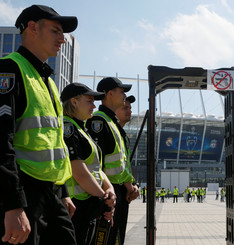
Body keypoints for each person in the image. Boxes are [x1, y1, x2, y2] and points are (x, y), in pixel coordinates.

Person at [0, 5, 78, 245]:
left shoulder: (48, 82)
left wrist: (62, 192)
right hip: (25, 193)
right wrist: (12, 205)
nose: (62, 40)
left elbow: (55, 144)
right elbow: (2, 141)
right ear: (32, 28)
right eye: (56, 31)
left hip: (51, 193)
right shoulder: (9, 70)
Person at [60, 83, 116, 245]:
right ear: (74, 102)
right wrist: (104, 200)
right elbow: (79, 172)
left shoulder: (81, 129)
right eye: (89, 101)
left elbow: (95, 168)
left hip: (88, 204)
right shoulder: (67, 128)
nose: (94, 105)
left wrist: (109, 190)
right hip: (75, 206)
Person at [85, 77, 138, 245]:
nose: (124, 96)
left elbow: (121, 163)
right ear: (109, 94)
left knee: (115, 238)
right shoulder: (98, 122)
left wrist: (130, 185)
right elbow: (96, 165)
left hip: (117, 192)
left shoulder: (112, 123)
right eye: (121, 91)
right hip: (106, 192)